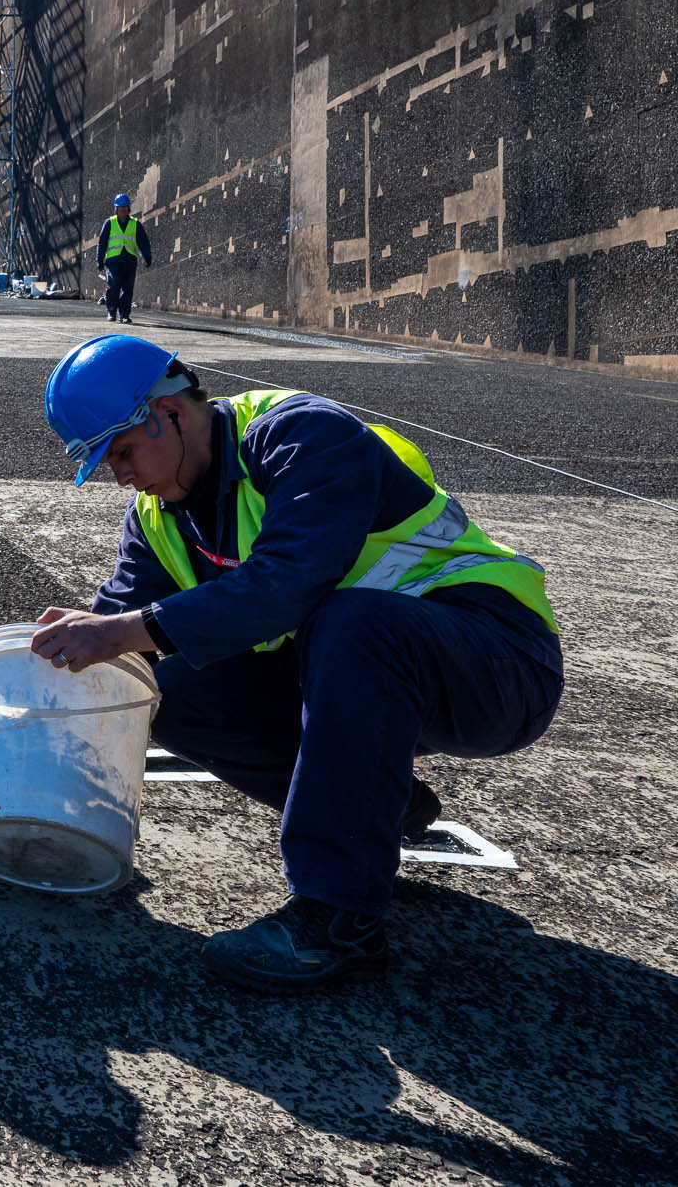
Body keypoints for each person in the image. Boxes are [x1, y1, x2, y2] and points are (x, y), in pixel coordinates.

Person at [33, 334, 562, 992]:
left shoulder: (299, 434)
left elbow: (289, 584)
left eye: (121, 451)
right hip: (367, 674)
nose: (120, 473)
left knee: (352, 618)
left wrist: (120, 630)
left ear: (169, 412)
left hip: (497, 658)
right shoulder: (156, 520)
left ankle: (340, 918)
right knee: (157, 684)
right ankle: (376, 808)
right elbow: (111, 654)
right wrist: (33, 765)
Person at [95, 194, 152, 324]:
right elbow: (102, 242)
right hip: (113, 260)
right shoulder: (109, 222)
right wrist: (99, 259)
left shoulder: (135, 224)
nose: (122, 211)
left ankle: (125, 315)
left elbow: (143, 242)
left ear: (128, 209)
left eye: (125, 208)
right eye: (120, 208)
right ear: (116, 209)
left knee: (127, 288)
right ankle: (111, 311)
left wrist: (147, 257)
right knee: (114, 284)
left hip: (130, 260)